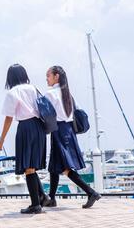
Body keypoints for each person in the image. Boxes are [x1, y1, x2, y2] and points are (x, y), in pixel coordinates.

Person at [44, 66, 102, 209]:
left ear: (56, 76)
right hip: (68, 130)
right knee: (53, 167)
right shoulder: (67, 93)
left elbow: (45, 114)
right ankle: (51, 198)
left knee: (65, 168)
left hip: (59, 131)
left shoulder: (51, 93)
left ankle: (91, 192)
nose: (46, 78)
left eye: (48, 75)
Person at [0, 64, 48, 214]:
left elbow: (8, 118)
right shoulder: (33, 88)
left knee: (28, 167)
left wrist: (2, 139)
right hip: (39, 127)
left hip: (25, 128)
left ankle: (35, 205)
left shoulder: (13, 92)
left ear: (10, 77)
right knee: (32, 166)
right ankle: (41, 197)